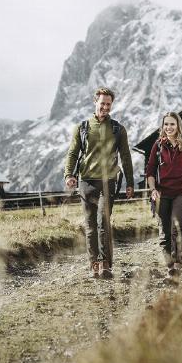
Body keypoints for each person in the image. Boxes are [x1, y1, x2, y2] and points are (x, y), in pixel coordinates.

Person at [64, 87, 134, 279]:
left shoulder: (118, 129)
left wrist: (130, 182)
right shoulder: (82, 127)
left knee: (103, 223)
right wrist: (69, 174)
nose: (105, 107)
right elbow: (72, 153)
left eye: (108, 104)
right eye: (102, 103)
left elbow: (126, 157)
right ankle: (93, 263)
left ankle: (106, 265)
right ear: (95, 102)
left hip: (108, 182)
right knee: (90, 225)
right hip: (86, 181)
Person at [146, 112, 182, 277]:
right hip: (162, 194)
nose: (169, 127)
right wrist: (153, 190)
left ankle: (178, 264)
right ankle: (169, 265)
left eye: (172, 124)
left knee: (177, 229)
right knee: (164, 232)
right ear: (162, 127)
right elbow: (150, 171)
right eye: (166, 124)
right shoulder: (158, 146)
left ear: (178, 126)